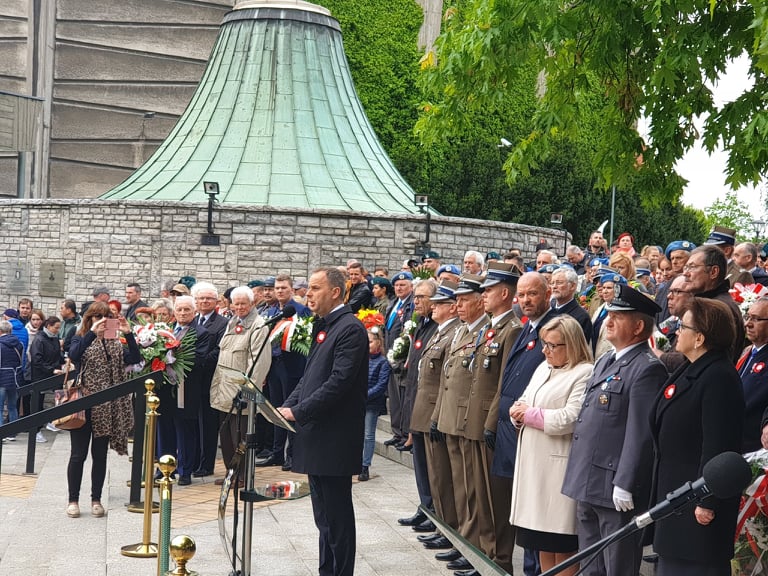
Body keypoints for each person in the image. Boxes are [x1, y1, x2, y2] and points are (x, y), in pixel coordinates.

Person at [562, 284, 668, 576]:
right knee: (590, 563)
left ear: (637, 327)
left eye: (618, 317)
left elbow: (640, 432)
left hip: (613, 484)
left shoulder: (647, 368)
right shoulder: (608, 359)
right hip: (589, 476)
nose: (608, 320)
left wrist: (626, 481)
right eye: (609, 314)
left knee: (618, 565)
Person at [278, 267, 368, 576]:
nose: (308, 294)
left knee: (337, 518)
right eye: (308, 289)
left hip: (334, 439)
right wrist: (286, 406)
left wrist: (299, 412)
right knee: (324, 519)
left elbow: (338, 383)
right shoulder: (324, 326)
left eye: (316, 288)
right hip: (317, 436)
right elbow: (309, 379)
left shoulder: (350, 328)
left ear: (336, 292)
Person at [650, 298, 744, 575]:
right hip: (676, 496)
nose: (677, 331)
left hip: (696, 504)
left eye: (683, 326)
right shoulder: (691, 367)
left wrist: (707, 500)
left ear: (700, 337)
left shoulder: (718, 377)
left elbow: (719, 443)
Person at [509, 315, 593, 576]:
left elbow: (571, 417)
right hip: (533, 467)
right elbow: (524, 398)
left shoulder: (584, 372)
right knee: (541, 540)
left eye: (553, 345)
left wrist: (529, 414)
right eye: (544, 343)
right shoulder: (544, 367)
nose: (545, 350)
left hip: (558, 469)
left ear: (572, 344)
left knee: (562, 544)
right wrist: (516, 412)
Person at [66, 302, 140, 518]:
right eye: (96, 315)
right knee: (78, 455)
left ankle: (96, 499)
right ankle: (73, 500)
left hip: (106, 406)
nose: (100, 319)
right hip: (84, 404)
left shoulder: (114, 342)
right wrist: (91, 333)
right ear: (88, 318)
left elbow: (134, 359)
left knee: (100, 456)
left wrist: (129, 334)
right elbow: (75, 354)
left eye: (105, 316)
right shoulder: (80, 335)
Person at [209, 286, 272, 484]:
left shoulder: (259, 326)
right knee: (226, 436)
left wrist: (248, 391)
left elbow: (259, 362)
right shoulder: (232, 322)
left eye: (243, 303)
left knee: (241, 438)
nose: (239, 307)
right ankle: (231, 473)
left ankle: (243, 475)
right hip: (224, 389)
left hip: (241, 393)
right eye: (236, 303)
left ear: (252, 303)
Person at [257, 274, 310, 471]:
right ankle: (276, 452)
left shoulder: (301, 311)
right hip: (273, 365)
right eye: (277, 288)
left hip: (292, 366)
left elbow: (306, 337)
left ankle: (292, 454)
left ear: (291, 290)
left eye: (283, 288)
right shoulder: (271, 311)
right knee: (276, 409)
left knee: (289, 410)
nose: (279, 291)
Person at [191, 282, 229, 478]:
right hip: (191, 380)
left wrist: (200, 360)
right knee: (193, 423)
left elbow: (219, 350)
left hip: (210, 379)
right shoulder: (192, 319)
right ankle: (193, 460)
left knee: (207, 424)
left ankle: (206, 464)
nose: (204, 301)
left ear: (216, 301)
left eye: (208, 298)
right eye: (200, 298)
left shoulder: (222, 323)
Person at [682, 245, 745, 362]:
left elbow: (699, 357)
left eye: (692, 267)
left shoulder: (717, 308)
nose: (685, 273)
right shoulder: (709, 302)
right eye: (685, 267)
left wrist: (661, 356)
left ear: (713, 272)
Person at [359, 327, 390, 481]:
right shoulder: (361, 358)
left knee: (368, 434)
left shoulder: (383, 362)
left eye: (370, 342)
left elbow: (381, 385)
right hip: (358, 402)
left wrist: (364, 396)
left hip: (371, 403)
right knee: (357, 434)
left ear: (378, 343)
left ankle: (365, 466)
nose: (367, 345)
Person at [738, 296, 768, 453]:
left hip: (754, 444)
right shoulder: (749, 351)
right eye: (748, 317)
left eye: (756, 319)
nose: (748, 323)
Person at [0, 320, 23, 440]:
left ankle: (2, 433)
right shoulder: (19, 344)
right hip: (15, 379)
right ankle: (13, 433)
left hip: (2, 378)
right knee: (12, 407)